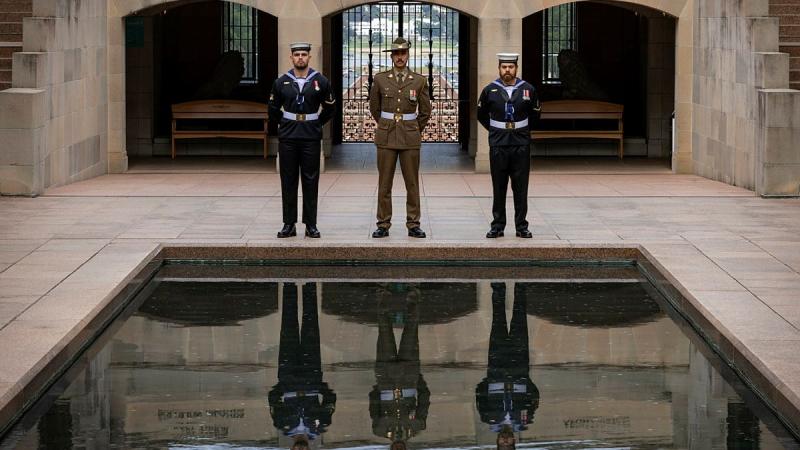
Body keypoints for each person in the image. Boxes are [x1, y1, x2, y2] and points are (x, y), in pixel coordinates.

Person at [269, 42, 336, 239]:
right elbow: (272, 109)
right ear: (291, 58)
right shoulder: (281, 82)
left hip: (310, 137)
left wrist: (316, 124)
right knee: (288, 181)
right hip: (289, 137)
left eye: (303, 54)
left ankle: (311, 224)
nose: (300, 58)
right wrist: (284, 122)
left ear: (309, 57)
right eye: (297, 54)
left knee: (310, 180)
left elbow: (330, 108)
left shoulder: (320, 81)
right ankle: (289, 224)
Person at [369, 37, 432, 239]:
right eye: (396, 54)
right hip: (386, 136)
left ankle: (413, 223)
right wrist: (385, 124)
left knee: (412, 183)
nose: (400, 57)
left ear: (408, 55)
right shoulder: (380, 79)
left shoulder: (419, 81)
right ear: (391, 56)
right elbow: (374, 107)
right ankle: (383, 224)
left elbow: (425, 111)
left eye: (403, 53)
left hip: (410, 137)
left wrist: (413, 127)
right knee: (385, 183)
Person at [477, 53, 541, 239]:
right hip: (499, 143)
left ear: (516, 69)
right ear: (499, 68)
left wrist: (522, 131)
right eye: (504, 67)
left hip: (520, 143)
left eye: (511, 67)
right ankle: (497, 225)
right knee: (499, 186)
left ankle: (521, 226)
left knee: (521, 186)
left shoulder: (528, 89)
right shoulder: (490, 90)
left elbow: (536, 115)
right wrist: (497, 130)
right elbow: (481, 114)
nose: (507, 70)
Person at [268, 282, 336, 445]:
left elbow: (273, 400)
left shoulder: (282, 424)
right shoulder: (320, 425)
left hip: (288, 376)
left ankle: (289, 285)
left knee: (288, 327)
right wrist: (318, 386)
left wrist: (284, 386)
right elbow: (330, 400)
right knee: (310, 326)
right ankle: (310, 285)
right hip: (311, 376)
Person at [475, 283, 540, 450]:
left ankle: (498, 289)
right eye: (508, 444)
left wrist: (490, 379)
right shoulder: (524, 420)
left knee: (498, 322)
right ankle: (521, 288)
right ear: (514, 441)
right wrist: (524, 379)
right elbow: (534, 397)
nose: (505, 440)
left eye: (502, 444)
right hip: (519, 366)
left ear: (497, 442)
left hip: (496, 367)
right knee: (520, 321)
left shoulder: (489, 418)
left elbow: (480, 394)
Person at [369, 284, 430, 446]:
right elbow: (424, 400)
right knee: (411, 331)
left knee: (384, 332)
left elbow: (374, 404)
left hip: (385, 377)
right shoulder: (416, 427)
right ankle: (413, 298)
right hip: (409, 376)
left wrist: (380, 384)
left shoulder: (379, 429)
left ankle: (382, 297)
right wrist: (418, 379)